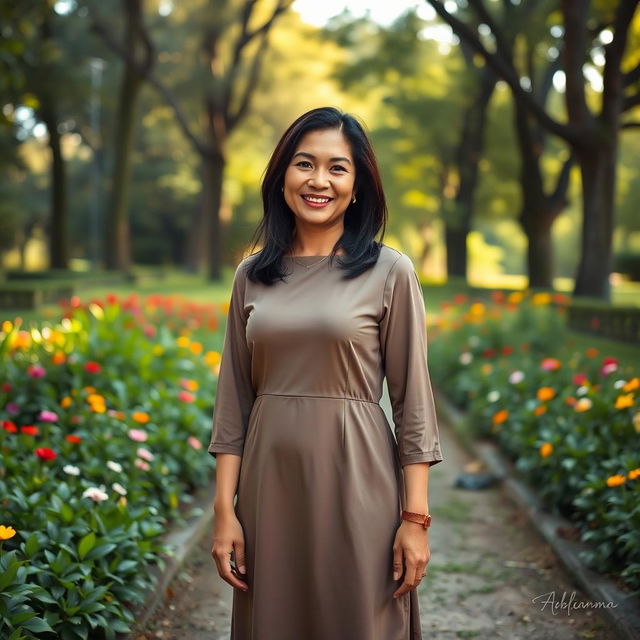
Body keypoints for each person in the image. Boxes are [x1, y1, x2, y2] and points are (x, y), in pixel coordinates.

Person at [208, 106, 443, 640]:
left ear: (358, 185)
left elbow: (414, 405)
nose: (319, 181)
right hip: (269, 486)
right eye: (304, 164)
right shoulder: (252, 275)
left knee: (358, 619)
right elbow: (233, 404)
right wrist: (226, 512)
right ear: (282, 177)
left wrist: (415, 519)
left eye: (338, 168)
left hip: (359, 480)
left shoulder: (391, 271)